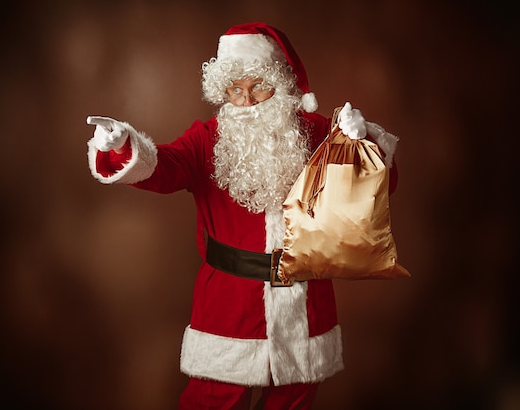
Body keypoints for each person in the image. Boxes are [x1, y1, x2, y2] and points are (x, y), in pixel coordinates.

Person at [86, 22, 398, 410]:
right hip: (229, 305)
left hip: (306, 304)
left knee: (294, 401)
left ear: (281, 85)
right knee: (213, 402)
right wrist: (121, 145)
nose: (247, 101)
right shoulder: (207, 138)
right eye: (235, 90)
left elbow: (373, 191)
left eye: (258, 87)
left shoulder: (317, 133)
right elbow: (162, 166)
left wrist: (359, 143)